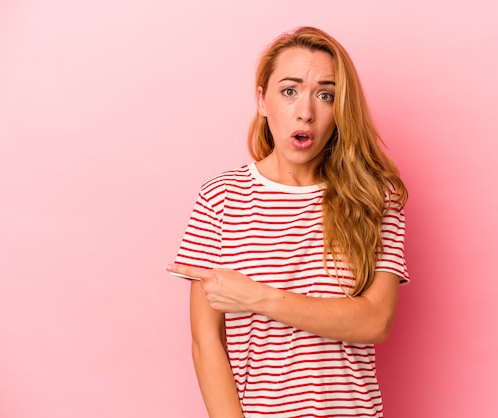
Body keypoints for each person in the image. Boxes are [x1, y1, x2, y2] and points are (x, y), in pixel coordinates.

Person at [166, 26, 408, 418]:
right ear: (262, 101)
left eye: (325, 95)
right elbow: (206, 341)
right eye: (290, 90)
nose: (306, 111)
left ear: (340, 108)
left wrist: (254, 296)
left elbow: (375, 321)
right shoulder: (220, 199)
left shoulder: (376, 198)